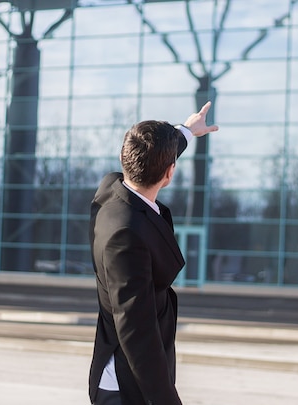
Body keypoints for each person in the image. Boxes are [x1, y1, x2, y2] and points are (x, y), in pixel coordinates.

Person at [88, 102, 219, 405]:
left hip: (130, 377)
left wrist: (186, 131)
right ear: (169, 173)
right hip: (127, 383)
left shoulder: (109, 190)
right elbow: (137, 331)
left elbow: (149, 157)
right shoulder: (126, 236)